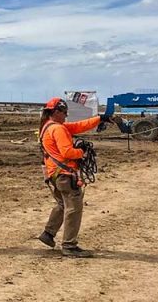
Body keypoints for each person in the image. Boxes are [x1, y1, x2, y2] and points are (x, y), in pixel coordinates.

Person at [38, 97, 101, 257]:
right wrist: (82, 152)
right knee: (74, 208)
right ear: (56, 112)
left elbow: (78, 126)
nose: (66, 116)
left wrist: (100, 119)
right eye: (64, 113)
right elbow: (67, 152)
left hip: (54, 174)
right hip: (65, 175)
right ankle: (69, 245)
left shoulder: (48, 127)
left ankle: (48, 234)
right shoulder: (58, 129)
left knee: (61, 204)